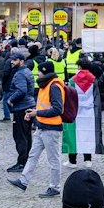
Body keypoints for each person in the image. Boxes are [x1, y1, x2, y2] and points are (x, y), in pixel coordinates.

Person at [13, 62, 68, 198]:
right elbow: (43, 107)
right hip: (42, 127)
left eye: (39, 71)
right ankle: (23, 181)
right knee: (33, 155)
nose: (37, 73)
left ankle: (55, 187)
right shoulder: (45, 85)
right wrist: (33, 114)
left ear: (44, 72)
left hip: (51, 129)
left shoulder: (54, 86)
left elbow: (57, 109)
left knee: (53, 160)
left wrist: (36, 113)